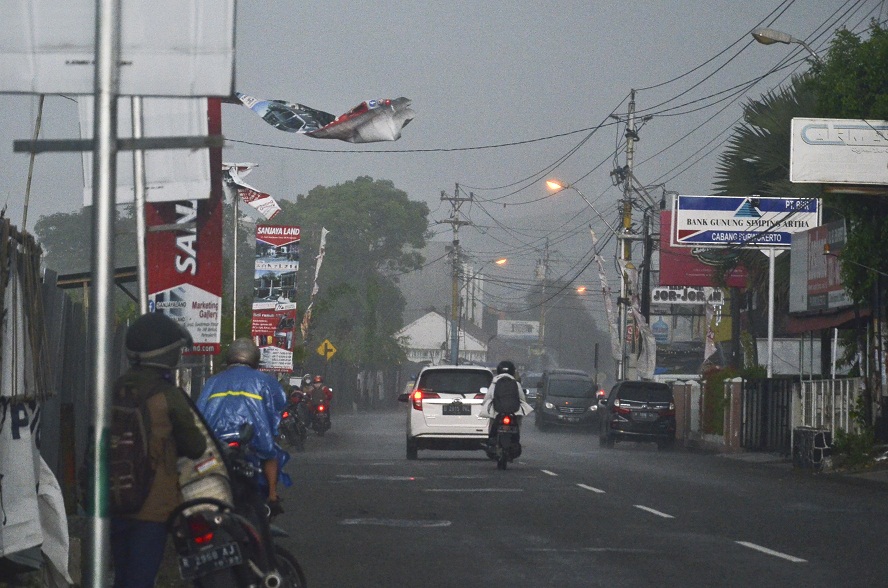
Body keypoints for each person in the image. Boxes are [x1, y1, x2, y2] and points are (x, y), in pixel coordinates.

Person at [110, 312, 208, 588]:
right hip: (152, 507)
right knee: (140, 580)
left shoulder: (117, 387)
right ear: (167, 354)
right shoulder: (168, 395)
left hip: (114, 498)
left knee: (122, 576)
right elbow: (196, 446)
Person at [197, 338, 289, 513]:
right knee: (270, 453)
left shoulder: (213, 381)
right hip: (254, 438)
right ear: (254, 358)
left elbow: (199, 409)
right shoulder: (264, 380)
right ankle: (272, 494)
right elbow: (280, 402)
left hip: (216, 442)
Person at [480, 360, 534, 450]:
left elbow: (488, 397)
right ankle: (516, 439)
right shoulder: (516, 383)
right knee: (518, 422)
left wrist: (484, 404)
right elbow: (522, 398)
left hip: (497, 410)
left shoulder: (494, 383)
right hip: (514, 410)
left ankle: (491, 439)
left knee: (492, 422)